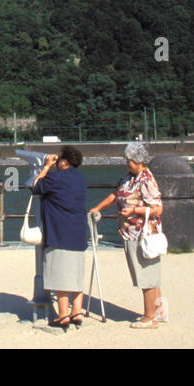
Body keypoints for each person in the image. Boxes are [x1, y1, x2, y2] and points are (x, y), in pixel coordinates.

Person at [88, 141, 167, 328]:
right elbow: (117, 195)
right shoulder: (129, 177)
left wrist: (134, 210)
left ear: (139, 161)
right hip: (130, 232)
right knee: (149, 273)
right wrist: (98, 207)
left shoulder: (146, 180)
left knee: (146, 274)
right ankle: (159, 311)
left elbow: (157, 209)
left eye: (130, 160)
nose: (127, 163)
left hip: (142, 233)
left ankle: (150, 317)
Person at [30, 145, 88, 329]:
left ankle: (63, 315)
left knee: (60, 273)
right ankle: (76, 311)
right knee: (76, 273)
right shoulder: (80, 179)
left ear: (63, 162)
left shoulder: (56, 177)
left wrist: (46, 166)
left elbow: (35, 185)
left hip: (60, 231)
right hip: (79, 231)